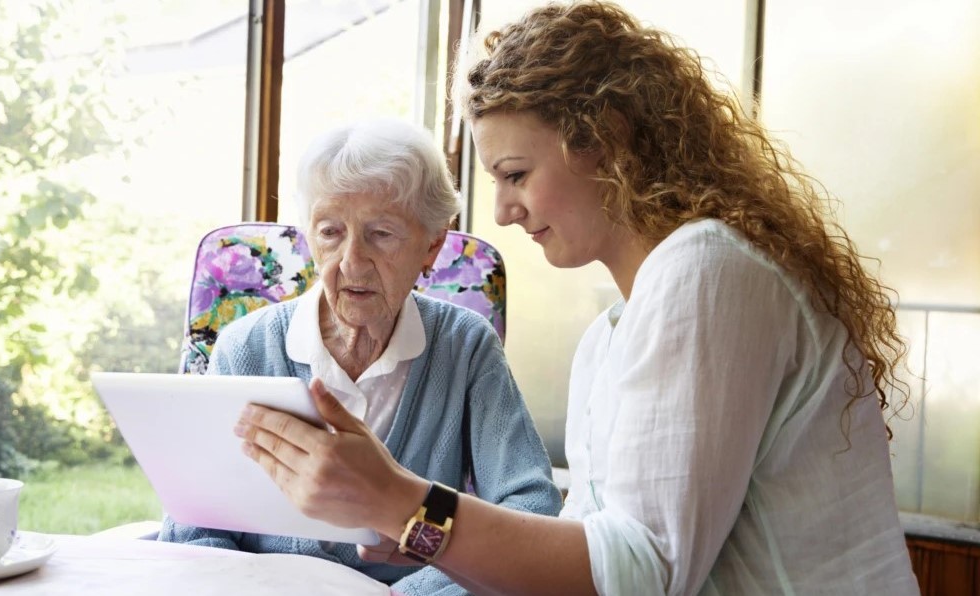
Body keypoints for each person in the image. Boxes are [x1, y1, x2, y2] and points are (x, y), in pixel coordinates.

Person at [232, 2, 921, 594]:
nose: (500, 212)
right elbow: (585, 553)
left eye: (515, 173)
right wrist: (407, 525)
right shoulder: (612, 337)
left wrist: (402, 501)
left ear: (607, 141)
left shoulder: (707, 272)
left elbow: (643, 573)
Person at [159, 118, 563, 595]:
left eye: (381, 234)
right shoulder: (244, 347)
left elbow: (530, 506)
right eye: (330, 232)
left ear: (431, 245)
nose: (351, 262)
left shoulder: (465, 346)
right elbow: (194, 528)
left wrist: (410, 593)